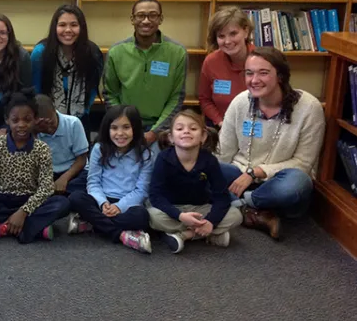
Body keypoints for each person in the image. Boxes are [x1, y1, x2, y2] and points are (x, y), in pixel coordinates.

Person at [218, 47, 325, 240]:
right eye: (249, 73)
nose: (254, 80)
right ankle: (257, 213)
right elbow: (224, 153)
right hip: (239, 177)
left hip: (278, 183)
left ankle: (241, 205)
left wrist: (255, 173)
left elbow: (303, 163)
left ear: (281, 76)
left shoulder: (309, 108)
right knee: (201, 167)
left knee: (297, 183)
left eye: (263, 73)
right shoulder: (240, 102)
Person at [0, 89, 70, 244]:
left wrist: (24, 211)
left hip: (30, 201)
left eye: (27, 120)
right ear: (7, 120)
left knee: (62, 204)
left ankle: (2, 228)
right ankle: (33, 228)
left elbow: (46, 187)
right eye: (15, 120)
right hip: (2, 200)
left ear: (35, 119)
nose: (21, 125)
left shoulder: (42, 148)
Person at [148, 110, 243, 253]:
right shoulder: (163, 158)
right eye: (180, 129)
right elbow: (155, 195)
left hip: (200, 209)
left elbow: (222, 197)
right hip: (173, 209)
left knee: (236, 215)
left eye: (193, 128)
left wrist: (211, 221)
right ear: (171, 137)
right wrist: (179, 216)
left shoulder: (209, 160)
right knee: (151, 215)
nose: (186, 132)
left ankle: (185, 235)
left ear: (203, 136)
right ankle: (210, 235)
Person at [67, 105, 154, 254]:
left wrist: (119, 206)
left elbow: (142, 190)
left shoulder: (145, 154)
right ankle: (122, 235)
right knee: (75, 197)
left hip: (128, 204)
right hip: (102, 201)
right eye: (114, 128)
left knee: (142, 216)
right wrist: (103, 203)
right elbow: (93, 182)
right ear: (107, 130)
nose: (120, 133)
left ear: (136, 128)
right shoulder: (99, 149)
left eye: (126, 127)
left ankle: (92, 223)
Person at [104, 0, 187, 144]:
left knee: (158, 165)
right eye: (141, 15)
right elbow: (110, 93)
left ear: (160, 19)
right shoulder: (116, 52)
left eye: (153, 15)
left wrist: (155, 132)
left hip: (162, 129)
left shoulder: (178, 52)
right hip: (124, 127)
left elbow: (176, 97)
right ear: (132, 19)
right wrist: (125, 126)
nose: (146, 21)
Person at [31, 5, 103, 133]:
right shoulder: (40, 53)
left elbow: (92, 88)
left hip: (80, 120)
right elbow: (36, 91)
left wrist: (80, 114)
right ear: (55, 27)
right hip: (47, 122)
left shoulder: (93, 53)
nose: (68, 30)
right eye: (62, 25)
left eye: (74, 25)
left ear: (82, 27)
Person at [199, 7, 254, 127]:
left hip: (256, 126)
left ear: (246, 31)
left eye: (233, 33)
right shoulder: (211, 61)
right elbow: (205, 99)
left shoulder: (264, 59)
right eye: (221, 36)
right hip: (221, 125)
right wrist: (221, 122)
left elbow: (274, 99)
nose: (227, 41)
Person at [34, 94, 89, 194]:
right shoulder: (34, 131)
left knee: (79, 189)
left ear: (55, 111)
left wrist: (64, 178)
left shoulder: (73, 123)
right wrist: (35, 131)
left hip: (74, 171)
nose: (50, 129)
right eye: (44, 126)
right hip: (48, 174)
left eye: (51, 123)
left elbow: (82, 160)